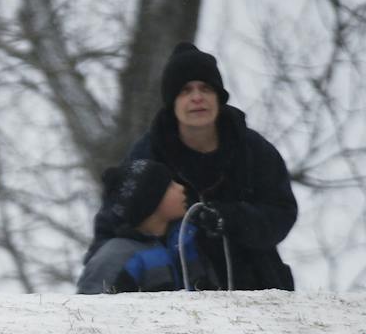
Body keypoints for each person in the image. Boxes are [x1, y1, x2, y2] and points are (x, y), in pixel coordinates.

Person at [88, 42, 297, 291]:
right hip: (174, 287)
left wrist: (230, 218)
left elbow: (281, 213)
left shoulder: (253, 149)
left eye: (205, 88)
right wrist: (101, 273)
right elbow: (114, 216)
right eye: (185, 90)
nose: (197, 97)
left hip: (254, 284)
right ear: (172, 102)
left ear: (219, 98)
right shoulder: (148, 153)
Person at [77, 160, 218, 294]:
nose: (181, 188)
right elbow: (92, 312)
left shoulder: (185, 240)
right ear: (150, 202)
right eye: (170, 186)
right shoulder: (115, 258)